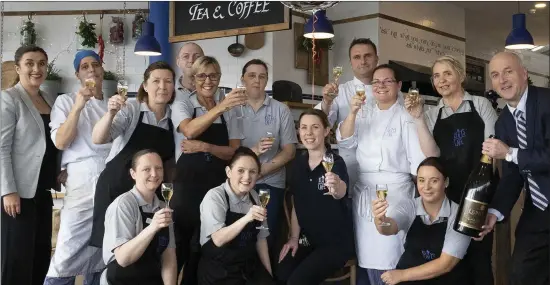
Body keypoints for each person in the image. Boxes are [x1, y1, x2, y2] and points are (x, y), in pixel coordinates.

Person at [405, 55, 498, 284]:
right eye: (437, 76)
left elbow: (491, 153)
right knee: (450, 261)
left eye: (447, 73)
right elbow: (432, 155)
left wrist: (485, 199)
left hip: (478, 195)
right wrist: (418, 119)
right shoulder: (433, 114)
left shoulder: (480, 105)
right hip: (447, 194)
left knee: (479, 257)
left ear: (460, 75)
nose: (442, 80)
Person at [337, 64, 425, 285]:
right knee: (366, 256)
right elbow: (345, 140)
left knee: (390, 252)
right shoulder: (363, 111)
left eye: (387, 81)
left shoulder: (406, 115)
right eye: (376, 82)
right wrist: (353, 112)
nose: (381, 86)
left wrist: (424, 197)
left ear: (398, 85)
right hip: (365, 190)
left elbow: (418, 161)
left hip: (396, 191)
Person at [170, 56, 246, 284]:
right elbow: (190, 130)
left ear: (219, 78)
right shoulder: (183, 102)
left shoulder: (231, 109)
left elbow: (234, 152)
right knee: (180, 246)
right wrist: (220, 106)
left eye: (213, 75)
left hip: (216, 187)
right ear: (193, 79)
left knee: (204, 246)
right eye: (202, 75)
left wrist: (205, 147)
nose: (208, 80)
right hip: (188, 185)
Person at [479, 51, 550, 285]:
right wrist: (494, 212)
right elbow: (511, 177)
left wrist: (509, 153)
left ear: (524, 73)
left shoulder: (547, 102)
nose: (503, 80)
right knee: (521, 274)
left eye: (508, 71)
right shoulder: (503, 123)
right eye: (496, 75)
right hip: (538, 208)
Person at [90, 61, 176, 248]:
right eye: (156, 81)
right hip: (117, 186)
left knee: (145, 247)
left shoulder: (174, 117)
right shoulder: (131, 108)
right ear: (145, 85)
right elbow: (98, 138)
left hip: (149, 195)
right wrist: (111, 113)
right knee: (109, 251)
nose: (162, 86)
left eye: (168, 81)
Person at [44, 50, 113, 285]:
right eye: (85, 67)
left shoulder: (112, 104)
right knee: (69, 244)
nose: (91, 70)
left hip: (110, 178)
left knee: (103, 245)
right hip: (81, 178)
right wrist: (79, 105)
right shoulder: (65, 101)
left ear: (102, 69)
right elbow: (61, 142)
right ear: (77, 74)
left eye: (95, 65)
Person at [1, 45, 59, 285]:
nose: (37, 69)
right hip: (19, 195)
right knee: (17, 260)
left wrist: (59, 171)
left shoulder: (49, 98)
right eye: (30, 63)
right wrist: (8, 190)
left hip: (43, 192)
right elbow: (1, 148)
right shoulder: (9, 98)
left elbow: (52, 142)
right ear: (18, 68)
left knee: (41, 257)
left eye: (42, 63)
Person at [315, 38, 404, 192]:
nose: (363, 61)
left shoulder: (395, 92)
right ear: (350, 62)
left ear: (377, 58)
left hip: (386, 171)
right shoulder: (340, 91)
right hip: (349, 165)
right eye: (357, 57)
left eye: (367, 56)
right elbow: (318, 123)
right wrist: (327, 101)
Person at [277, 109, 354, 285]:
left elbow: (341, 191)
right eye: (303, 127)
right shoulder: (297, 164)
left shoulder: (336, 162)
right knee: (281, 273)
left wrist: (336, 187)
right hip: (307, 241)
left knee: (297, 282)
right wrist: (294, 238)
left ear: (326, 131)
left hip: (335, 245)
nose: (308, 133)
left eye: (315, 127)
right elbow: (297, 203)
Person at [371, 157, 472, 285]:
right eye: (421, 180)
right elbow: (388, 229)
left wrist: (401, 275)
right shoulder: (409, 206)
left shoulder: (460, 215)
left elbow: (446, 264)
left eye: (434, 181)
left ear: (445, 182)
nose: (426, 187)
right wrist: (380, 219)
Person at [239, 59, 297, 263]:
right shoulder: (232, 109)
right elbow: (230, 150)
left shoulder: (281, 109)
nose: (257, 80)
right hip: (239, 184)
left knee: (266, 234)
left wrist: (261, 171)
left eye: (262, 76)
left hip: (270, 183)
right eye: (252, 75)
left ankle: (266, 275)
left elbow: (289, 151)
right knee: (241, 236)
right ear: (242, 79)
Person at [197, 146, 273, 284]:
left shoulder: (255, 197)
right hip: (219, 271)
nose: (247, 177)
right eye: (241, 171)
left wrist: (268, 275)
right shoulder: (215, 196)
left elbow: (261, 240)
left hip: (248, 267)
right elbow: (218, 239)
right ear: (228, 172)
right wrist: (247, 218)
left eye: (252, 172)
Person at [101, 149, 177, 285]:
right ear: (133, 173)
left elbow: (168, 256)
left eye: (159, 168)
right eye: (146, 169)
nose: (154, 174)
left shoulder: (162, 206)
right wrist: (153, 227)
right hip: (120, 280)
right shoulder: (123, 204)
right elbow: (123, 259)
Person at [174, 42, 205, 161]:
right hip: (180, 165)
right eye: (186, 56)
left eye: (197, 57)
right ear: (178, 61)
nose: (191, 60)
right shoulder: (169, 93)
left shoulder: (217, 94)